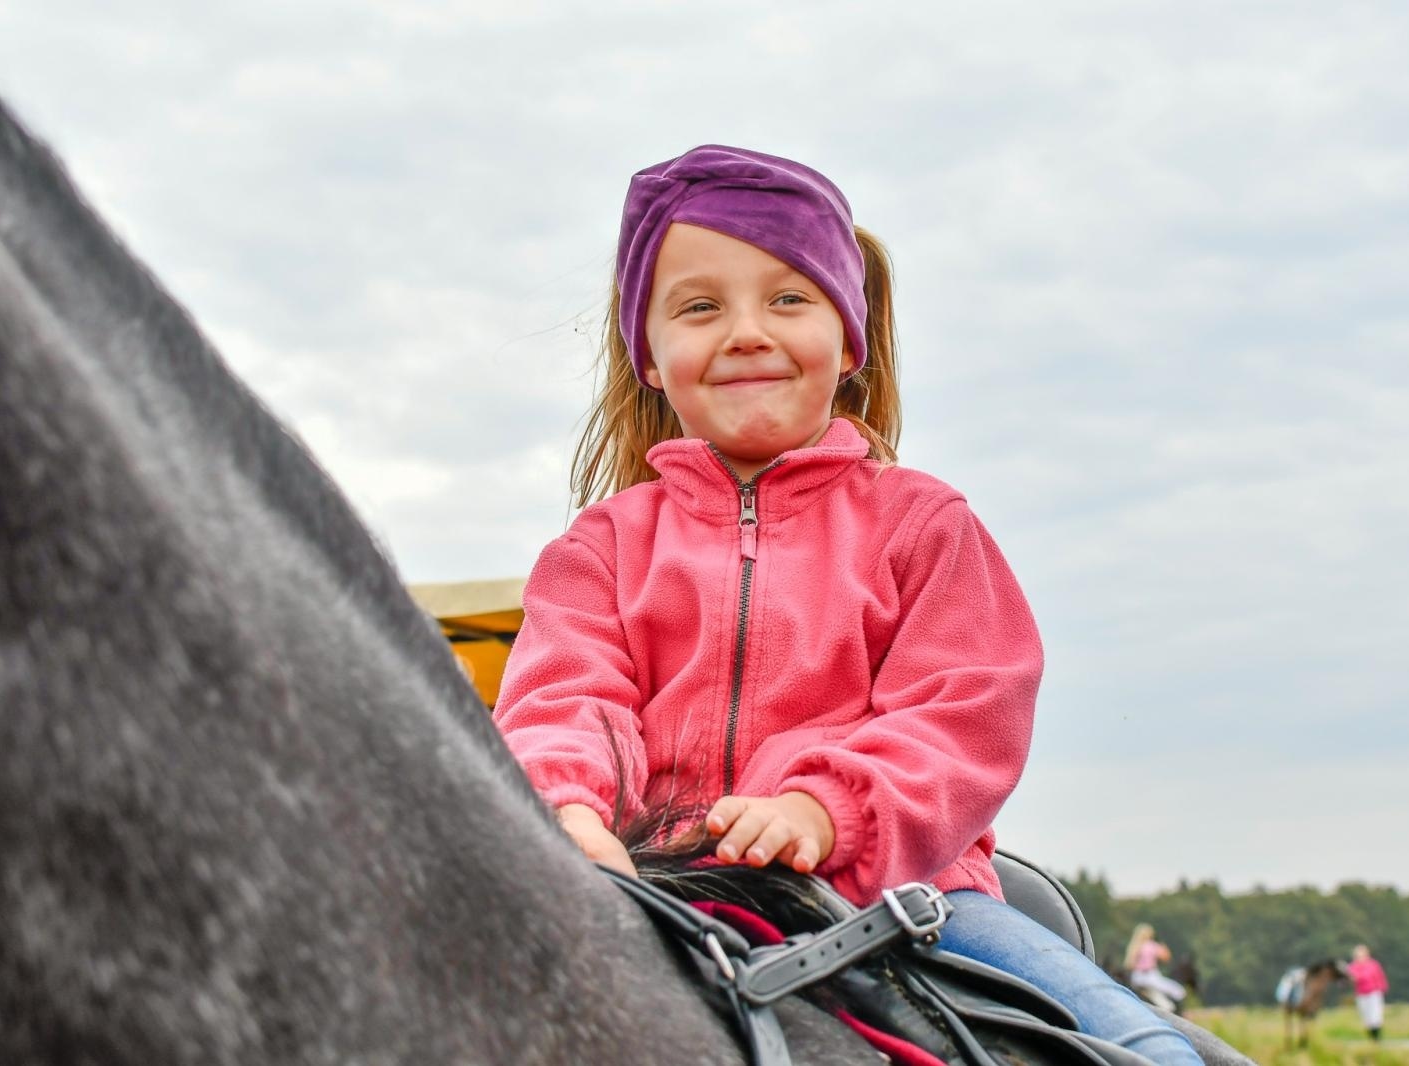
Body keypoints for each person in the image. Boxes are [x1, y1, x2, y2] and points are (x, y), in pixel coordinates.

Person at [493, 144, 1201, 1065]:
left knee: (1149, 1049)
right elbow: (561, 702)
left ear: (849, 339)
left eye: (788, 298)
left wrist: (828, 812)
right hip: (655, 882)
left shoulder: (922, 525)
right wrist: (567, 818)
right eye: (701, 306)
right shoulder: (599, 549)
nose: (746, 330)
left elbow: (964, 714)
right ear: (652, 361)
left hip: (912, 898)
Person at [1125, 923, 1187, 1007]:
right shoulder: (1151, 945)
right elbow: (1166, 958)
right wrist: (1163, 946)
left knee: (1154, 994)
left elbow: (1129, 965)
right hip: (1151, 976)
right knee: (1178, 991)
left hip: (1136, 977)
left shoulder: (1134, 947)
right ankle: (1174, 1009)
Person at [1346, 944, 1389, 1041]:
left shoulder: (1373, 965)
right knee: (1366, 1017)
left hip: (1373, 993)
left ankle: (1377, 1039)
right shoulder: (1352, 967)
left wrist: (1383, 988)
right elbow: (1349, 978)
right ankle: (1371, 1040)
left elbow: (1379, 977)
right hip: (1361, 994)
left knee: (1375, 1016)